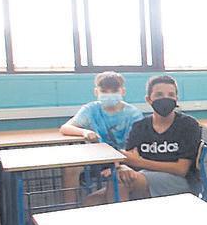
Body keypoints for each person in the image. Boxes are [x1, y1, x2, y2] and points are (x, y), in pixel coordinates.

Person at [82, 75, 201, 205]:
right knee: (92, 200)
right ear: (149, 99)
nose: (165, 98)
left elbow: (181, 169)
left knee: (120, 183)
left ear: (176, 99)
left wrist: (139, 162)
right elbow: (128, 158)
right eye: (159, 95)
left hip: (179, 180)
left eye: (171, 95)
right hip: (142, 176)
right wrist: (122, 168)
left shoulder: (188, 125)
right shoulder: (140, 126)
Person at [58, 71, 143, 201]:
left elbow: (136, 147)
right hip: (97, 159)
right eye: (104, 91)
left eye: (114, 90)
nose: (109, 94)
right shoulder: (91, 109)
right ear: (96, 92)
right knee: (70, 169)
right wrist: (85, 132)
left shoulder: (133, 114)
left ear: (123, 91)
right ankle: (69, 208)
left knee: (117, 178)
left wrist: (117, 165)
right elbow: (65, 127)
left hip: (125, 158)